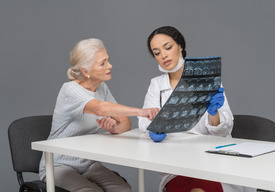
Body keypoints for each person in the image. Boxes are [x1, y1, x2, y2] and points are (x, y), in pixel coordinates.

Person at [138, 26, 256, 192]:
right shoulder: (157, 85)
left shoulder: (207, 80)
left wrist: (213, 113)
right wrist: (153, 128)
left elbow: (224, 130)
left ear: (180, 46)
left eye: (168, 47)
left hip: (211, 162)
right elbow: (144, 119)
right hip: (176, 165)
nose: (163, 55)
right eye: (157, 52)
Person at [39, 38, 159, 192]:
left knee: (123, 189)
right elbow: (100, 109)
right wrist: (141, 112)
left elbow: (125, 122)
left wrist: (114, 128)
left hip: (88, 163)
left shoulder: (101, 88)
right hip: (58, 164)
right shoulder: (69, 90)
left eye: (108, 60)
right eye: (103, 63)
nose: (110, 66)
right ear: (85, 71)